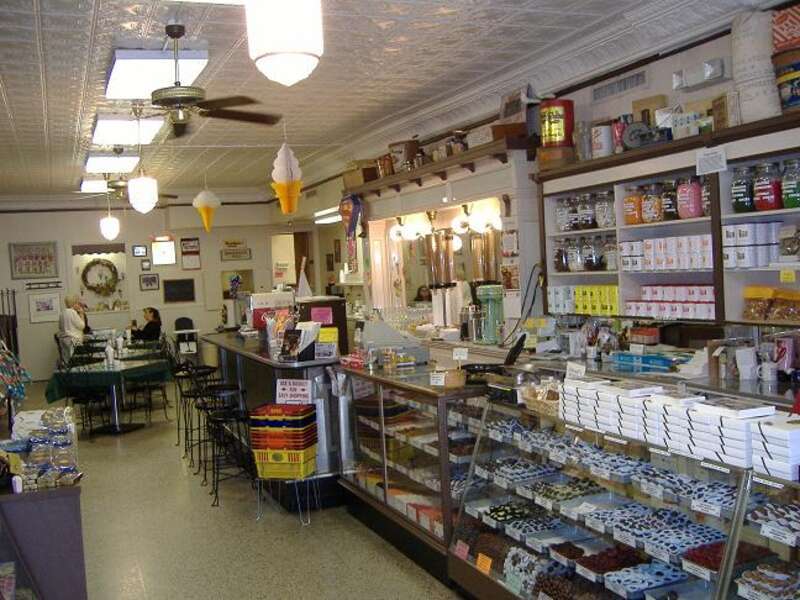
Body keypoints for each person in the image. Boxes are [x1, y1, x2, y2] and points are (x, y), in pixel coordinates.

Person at [58, 295, 85, 362]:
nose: (78, 305)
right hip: (74, 341)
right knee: (76, 362)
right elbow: (82, 326)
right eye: (77, 303)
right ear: (74, 303)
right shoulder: (72, 312)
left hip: (65, 341)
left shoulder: (62, 313)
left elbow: (60, 327)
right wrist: (81, 314)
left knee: (68, 361)